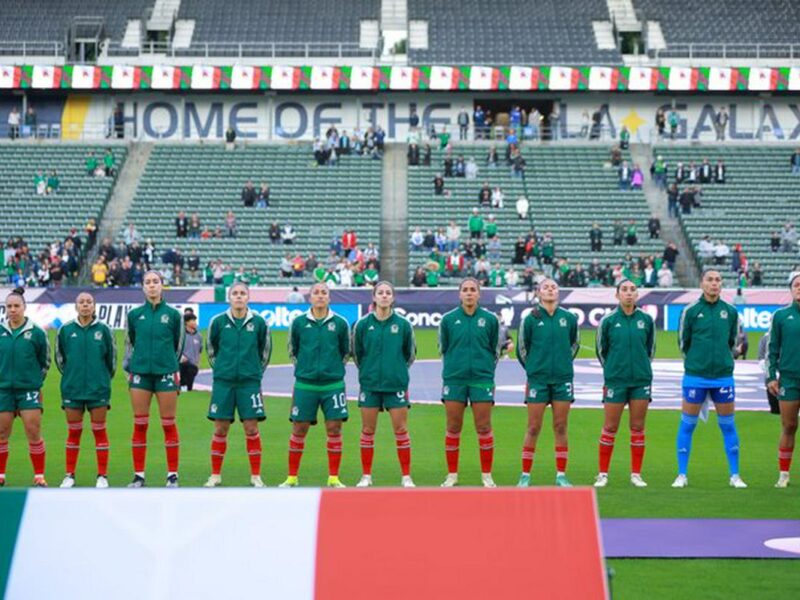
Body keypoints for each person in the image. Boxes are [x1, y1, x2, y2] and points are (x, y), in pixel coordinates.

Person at [673, 269, 746, 489]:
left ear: (721, 285)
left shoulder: (730, 312)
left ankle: (735, 475)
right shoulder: (691, 311)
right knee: (687, 425)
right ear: (702, 284)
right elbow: (683, 343)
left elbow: (732, 342)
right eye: (710, 280)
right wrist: (697, 362)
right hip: (695, 376)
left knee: (728, 425)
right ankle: (682, 474)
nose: (714, 284)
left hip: (723, 377)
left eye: (718, 280)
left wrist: (723, 360)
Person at [280, 283, 351, 488]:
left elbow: (345, 351)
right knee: (299, 428)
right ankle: (292, 477)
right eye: (316, 293)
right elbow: (292, 350)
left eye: (324, 293)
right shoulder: (299, 322)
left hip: (333, 384)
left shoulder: (340, 323)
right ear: (309, 297)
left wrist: (332, 369)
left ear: (329, 297)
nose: (320, 296)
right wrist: (305, 369)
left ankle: (334, 478)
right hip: (305, 384)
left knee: (334, 428)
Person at [204, 283, 271, 488]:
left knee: (251, 428)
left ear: (248, 297)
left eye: (242, 293)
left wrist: (254, 372)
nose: (239, 297)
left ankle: (256, 476)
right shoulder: (217, 322)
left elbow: (265, 351)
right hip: (223, 383)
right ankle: (215, 475)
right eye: (235, 293)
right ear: (229, 298)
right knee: (220, 428)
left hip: (249, 383)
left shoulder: (259, 322)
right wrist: (222, 370)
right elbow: (211, 349)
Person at [515, 278, 579, 487]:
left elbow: (574, 345)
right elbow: (522, 349)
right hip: (538, 380)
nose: (550, 290)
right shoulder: (530, 319)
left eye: (554, 287)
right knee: (533, 427)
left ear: (558, 292)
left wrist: (562, 364)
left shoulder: (568, 318)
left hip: (562, 380)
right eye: (546, 287)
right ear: (539, 293)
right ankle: (525, 475)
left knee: (560, 426)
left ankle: (561, 475)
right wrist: (535, 369)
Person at [351, 282, 416, 488]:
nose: (384, 296)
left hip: (395, 384)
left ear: (393, 298)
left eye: (388, 293)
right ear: (374, 297)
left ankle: (406, 476)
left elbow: (410, 354)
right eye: (380, 293)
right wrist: (368, 371)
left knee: (401, 430)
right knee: (368, 430)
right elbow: (357, 354)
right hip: (370, 385)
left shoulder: (404, 324)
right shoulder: (362, 324)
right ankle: (366, 476)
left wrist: (396, 370)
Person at [124, 270, 184, 488]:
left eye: (155, 282)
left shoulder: (173, 315)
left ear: (162, 285)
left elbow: (178, 345)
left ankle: (172, 475)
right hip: (140, 374)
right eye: (147, 282)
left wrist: (167, 363)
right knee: (140, 424)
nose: (151, 285)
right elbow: (130, 342)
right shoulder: (134, 315)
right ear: (142, 287)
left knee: (168, 424)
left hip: (166, 373)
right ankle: (139, 475)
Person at [438, 278, 501, 488]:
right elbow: (443, 347)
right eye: (465, 290)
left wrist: (486, 370)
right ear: (459, 294)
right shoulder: (448, 320)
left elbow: (495, 349)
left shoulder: (490, 320)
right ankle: (452, 475)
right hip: (454, 379)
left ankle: (487, 475)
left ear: (479, 294)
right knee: (453, 427)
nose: (469, 293)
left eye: (473, 290)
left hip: (482, 379)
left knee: (483, 427)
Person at [593, 280, 655, 488]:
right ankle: (603, 474)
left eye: (632, 290)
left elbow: (650, 350)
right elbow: (601, 351)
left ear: (637, 295)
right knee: (610, 427)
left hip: (640, 381)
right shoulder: (608, 321)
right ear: (617, 295)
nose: (629, 294)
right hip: (615, 381)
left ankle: (636, 474)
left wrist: (641, 368)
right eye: (624, 290)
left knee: (637, 427)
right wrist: (612, 369)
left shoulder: (646, 320)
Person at [55, 292, 116, 488]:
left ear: (94, 306)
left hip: (98, 389)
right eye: (81, 302)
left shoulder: (105, 330)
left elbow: (111, 361)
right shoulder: (65, 330)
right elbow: (60, 359)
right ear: (76, 306)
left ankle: (102, 476)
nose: (85, 305)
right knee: (74, 432)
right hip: (72, 389)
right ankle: (69, 475)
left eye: (89, 302)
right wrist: (73, 375)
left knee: (100, 431)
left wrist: (101, 379)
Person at [0, 288, 50, 487]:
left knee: (33, 431)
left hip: (28, 389)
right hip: (3, 389)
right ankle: (1, 474)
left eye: (16, 306)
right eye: (9, 306)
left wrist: (34, 382)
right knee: (2, 433)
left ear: (24, 308)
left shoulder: (37, 332)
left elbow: (44, 362)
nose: (12, 310)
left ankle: (39, 475)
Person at [767, 274, 800, 487]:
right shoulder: (781, 316)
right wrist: (771, 376)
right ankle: (784, 474)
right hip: (789, 379)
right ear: (791, 289)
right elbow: (772, 348)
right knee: (789, 426)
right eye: (797, 285)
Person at [180, 313, 202, 391]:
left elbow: (199, 350)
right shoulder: (181, 335)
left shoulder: (199, 336)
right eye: (192, 320)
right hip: (182, 364)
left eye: (195, 320)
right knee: (183, 385)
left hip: (193, 365)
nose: (195, 322)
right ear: (186, 322)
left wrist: (198, 362)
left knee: (189, 387)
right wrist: (181, 357)